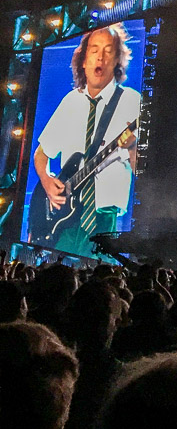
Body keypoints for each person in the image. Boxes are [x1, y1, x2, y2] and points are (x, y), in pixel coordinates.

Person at [32, 25, 142, 256]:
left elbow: (143, 174)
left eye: (108, 50)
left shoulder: (133, 102)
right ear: (83, 60)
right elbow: (41, 153)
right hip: (64, 218)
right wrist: (47, 181)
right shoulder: (71, 101)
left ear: (117, 60)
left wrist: (132, 147)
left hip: (104, 217)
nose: (100, 57)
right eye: (94, 50)